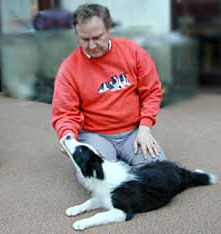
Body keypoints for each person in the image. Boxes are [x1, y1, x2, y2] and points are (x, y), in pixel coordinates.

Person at [51, 3, 165, 168]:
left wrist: (145, 128)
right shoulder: (68, 68)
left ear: (109, 29)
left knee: (158, 173)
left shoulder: (133, 51)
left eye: (97, 37)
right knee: (98, 178)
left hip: (133, 131)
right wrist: (68, 136)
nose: (91, 46)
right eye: (84, 39)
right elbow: (64, 113)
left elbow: (152, 92)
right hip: (94, 135)